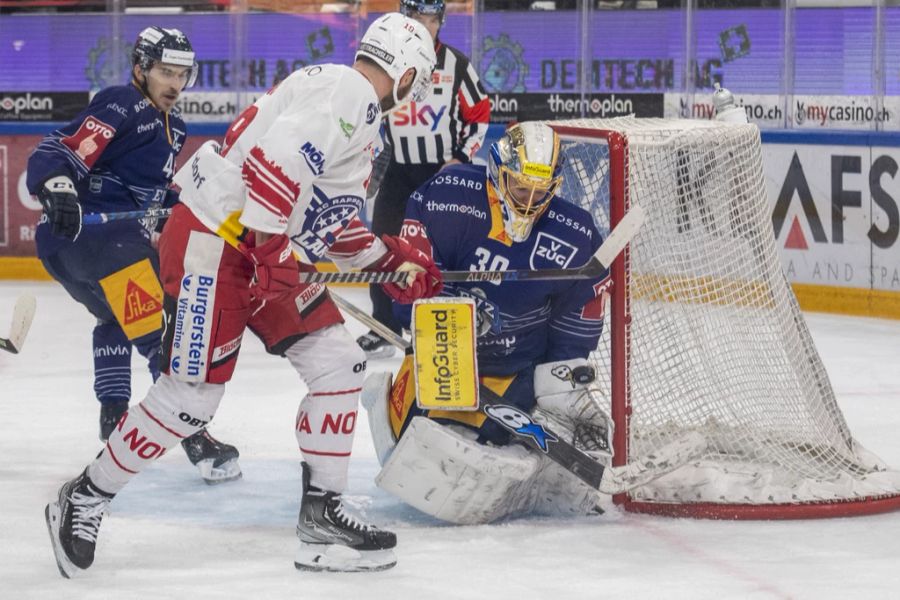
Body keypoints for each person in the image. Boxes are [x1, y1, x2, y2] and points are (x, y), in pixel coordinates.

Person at [45, 13, 440, 577]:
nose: (413, 97)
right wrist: (275, 251)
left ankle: (321, 517)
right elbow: (270, 168)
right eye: (417, 82)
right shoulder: (350, 91)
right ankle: (84, 495)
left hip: (258, 243)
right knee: (191, 397)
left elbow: (331, 227)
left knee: (337, 362)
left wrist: (392, 261)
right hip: (217, 240)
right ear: (407, 74)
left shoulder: (350, 108)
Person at [362, 122, 614, 524]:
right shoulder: (446, 197)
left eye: (541, 192)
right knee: (426, 430)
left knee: (503, 437)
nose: (530, 202)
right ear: (498, 172)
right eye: (520, 188)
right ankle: (403, 402)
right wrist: (447, 309)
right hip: (443, 357)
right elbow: (407, 290)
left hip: (514, 367)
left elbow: (575, 318)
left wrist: (556, 385)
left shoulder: (576, 233)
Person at [27, 26, 241, 485]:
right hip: (98, 239)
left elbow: (156, 203)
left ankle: (113, 413)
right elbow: (58, 149)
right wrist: (59, 186)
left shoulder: (175, 127)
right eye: (166, 72)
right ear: (141, 68)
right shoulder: (121, 103)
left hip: (79, 251)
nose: (175, 84)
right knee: (167, 334)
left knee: (114, 318)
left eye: (183, 74)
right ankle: (194, 437)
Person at [357, 0, 490, 360]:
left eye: (433, 20)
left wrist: (460, 158)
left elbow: (479, 114)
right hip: (399, 169)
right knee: (382, 245)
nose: (426, 27)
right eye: (419, 19)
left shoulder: (456, 64)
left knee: (443, 249)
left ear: (441, 22)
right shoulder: (390, 58)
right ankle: (382, 325)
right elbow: (373, 110)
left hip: (441, 172)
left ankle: (446, 322)